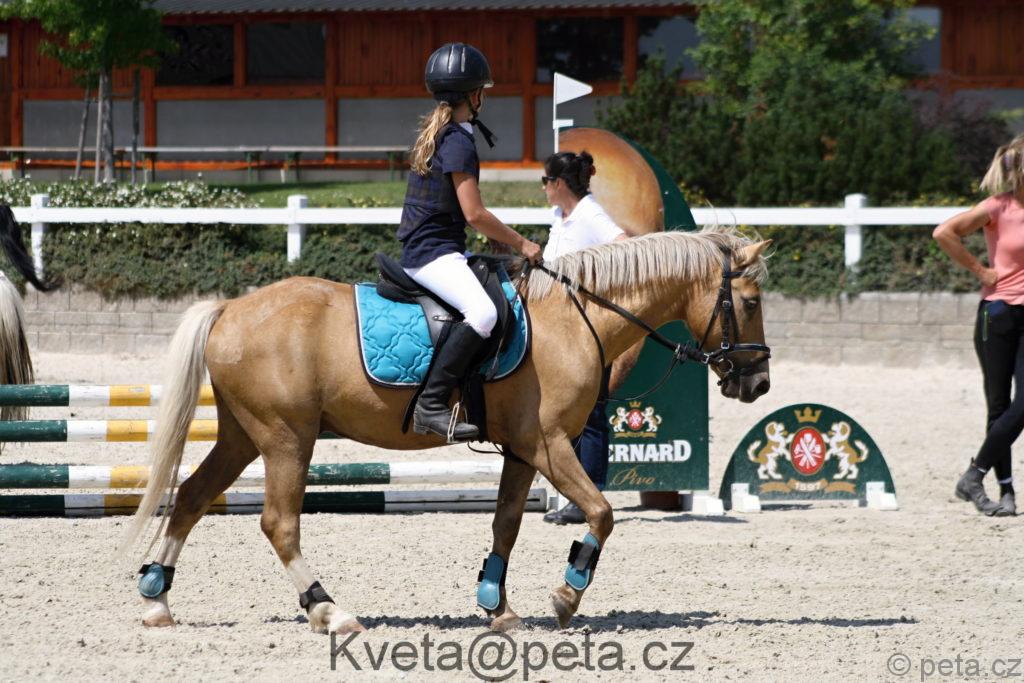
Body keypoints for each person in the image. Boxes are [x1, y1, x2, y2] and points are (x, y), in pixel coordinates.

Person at [398, 43, 542, 442]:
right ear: (475, 95)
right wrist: (523, 243)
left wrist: (496, 242)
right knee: (482, 313)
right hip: (433, 255)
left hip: (435, 249)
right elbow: (474, 214)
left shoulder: (442, 134)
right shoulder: (459, 141)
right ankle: (431, 405)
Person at [538, 150, 634, 524]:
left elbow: (625, 246)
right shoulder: (559, 215)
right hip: (558, 330)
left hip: (585, 329)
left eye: (546, 181)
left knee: (591, 413)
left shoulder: (590, 214)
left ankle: (588, 496)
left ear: (560, 184)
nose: (544, 188)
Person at [933, 135, 1024, 517]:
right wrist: (980, 270)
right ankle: (1006, 490)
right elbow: (944, 232)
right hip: (998, 313)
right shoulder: (997, 207)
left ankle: (973, 475)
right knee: (999, 405)